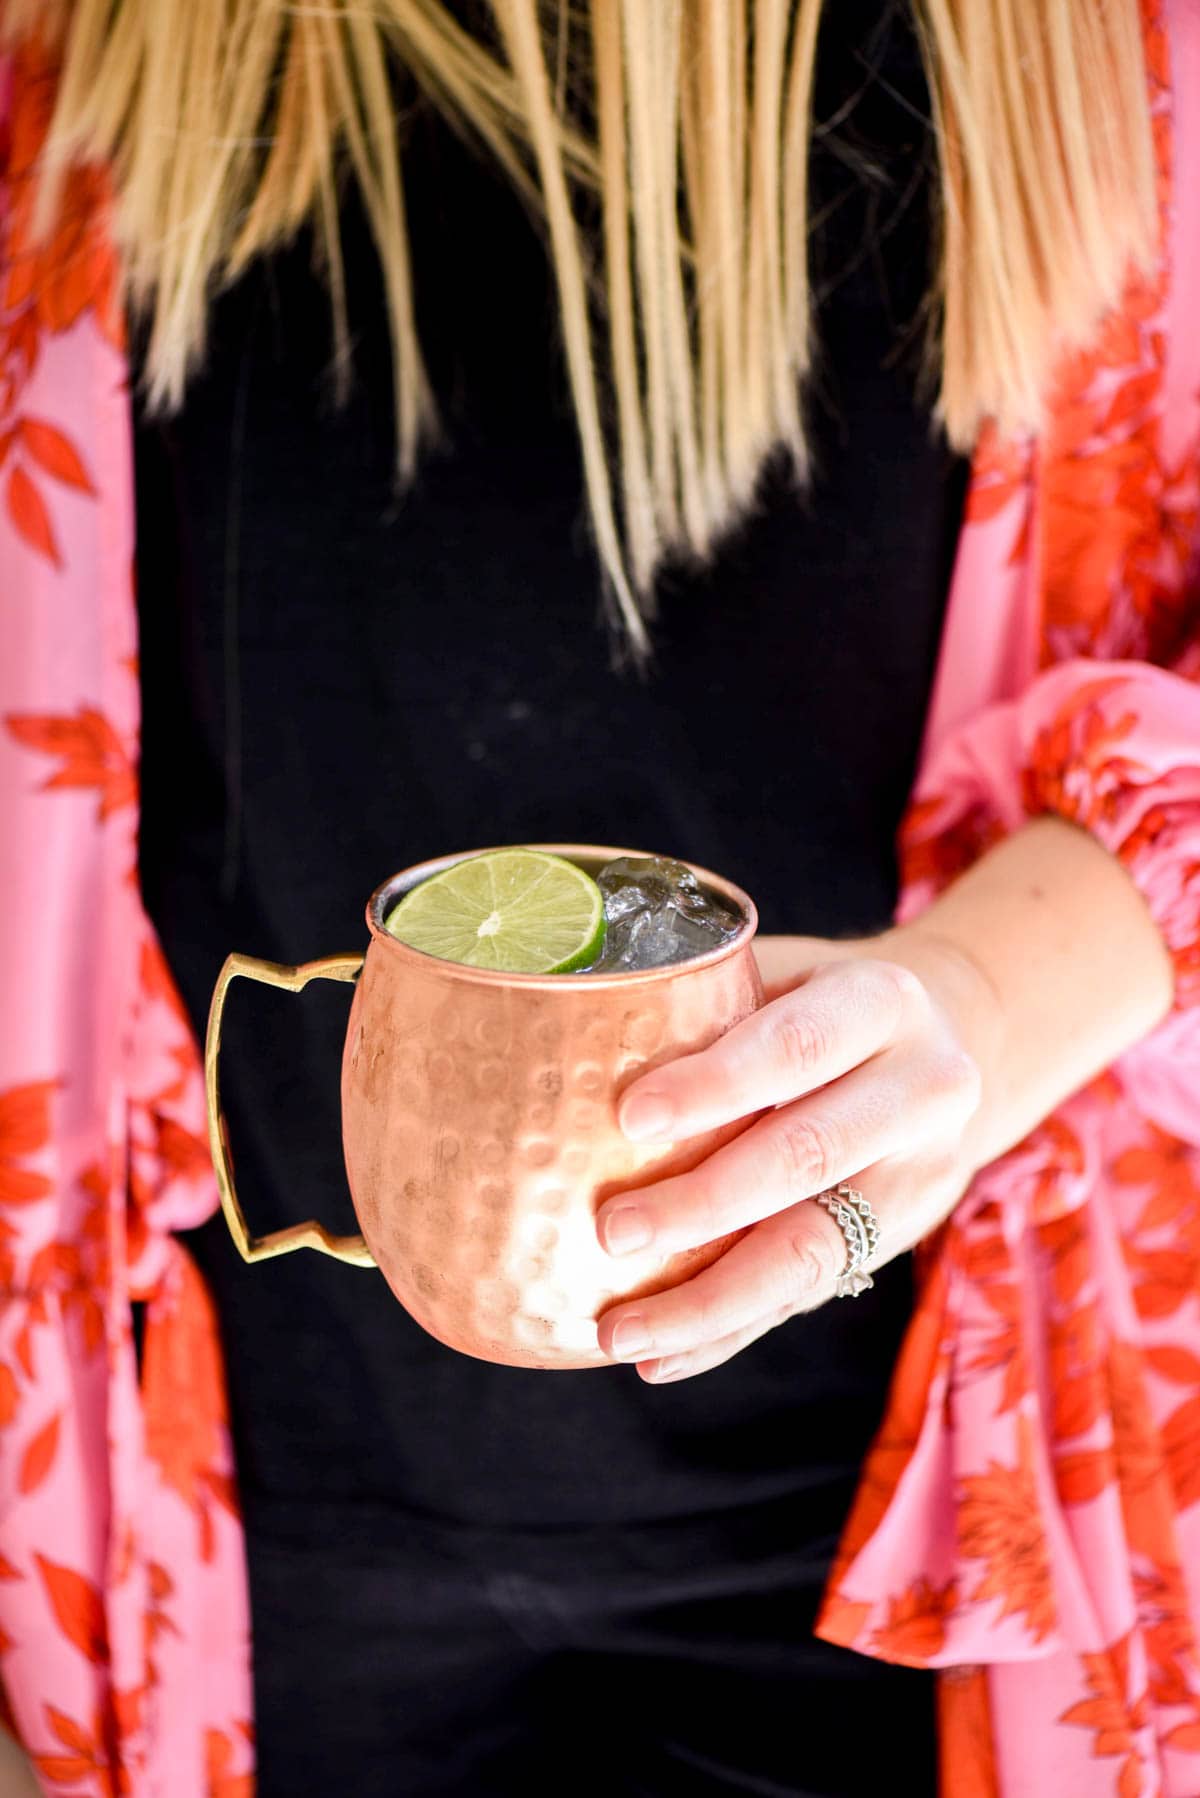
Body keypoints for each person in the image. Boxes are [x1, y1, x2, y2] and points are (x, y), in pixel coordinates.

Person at [0, 2, 1198, 1794]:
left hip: (936, 1540)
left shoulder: (1117, 56)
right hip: (234, 1538)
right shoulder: (94, 51)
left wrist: (998, 1000)